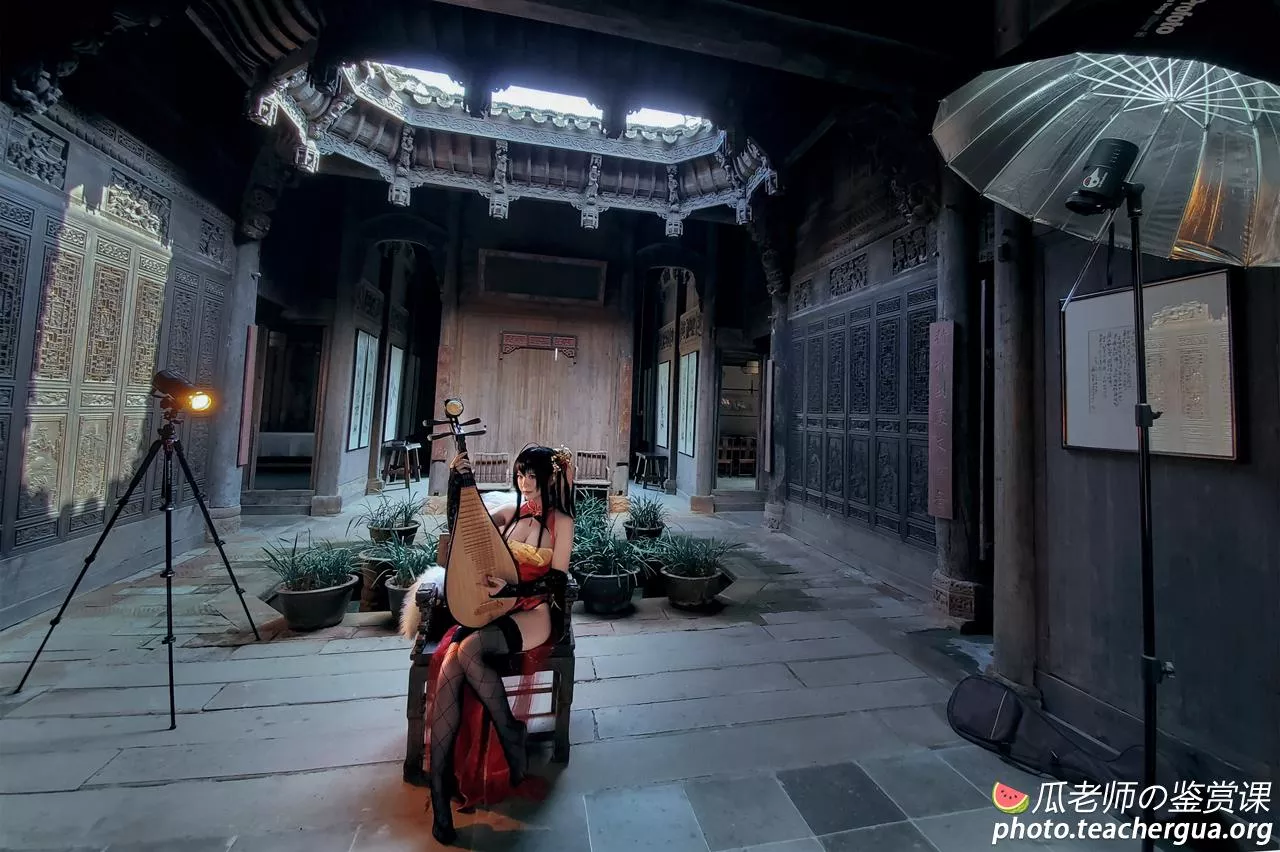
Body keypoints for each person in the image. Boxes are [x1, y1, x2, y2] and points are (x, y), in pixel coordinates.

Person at [424, 444, 575, 845]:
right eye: (520, 475)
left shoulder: (561, 522)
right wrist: (458, 482)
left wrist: (511, 588)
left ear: (549, 478)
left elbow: (557, 581)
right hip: (495, 608)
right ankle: (439, 788)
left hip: (534, 613)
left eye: (532, 475)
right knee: (452, 662)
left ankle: (508, 731)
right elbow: (466, 532)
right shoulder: (509, 513)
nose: (525, 482)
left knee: (467, 650)